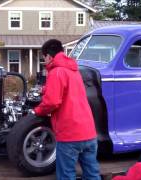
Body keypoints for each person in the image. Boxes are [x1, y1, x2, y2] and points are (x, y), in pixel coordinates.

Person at [33, 39, 100, 180]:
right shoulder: (74, 70)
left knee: (66, 176)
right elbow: (69, 89)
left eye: (43, 58)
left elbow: (52, 102)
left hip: (70, 134)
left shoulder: (56, 72)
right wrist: (45, 89)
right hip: (89, 132)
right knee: (92, 175)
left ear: (49, 56)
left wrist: (36, 111)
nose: (44, 61)